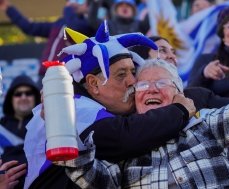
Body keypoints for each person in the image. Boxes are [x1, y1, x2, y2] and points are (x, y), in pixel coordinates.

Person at [57, 34, 229, 188]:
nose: (151, 89)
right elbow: (93, 180)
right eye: (143, 86)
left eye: (161, 83)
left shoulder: (208, 125)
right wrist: (64, 130)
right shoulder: (125, 157)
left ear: (179, 92)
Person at [23, 22, 195, 189]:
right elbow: (126, 137)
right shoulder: (74, 107)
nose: (132, 81)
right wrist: (179, 110)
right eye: (121, 75)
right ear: (94, 84)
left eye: (133, 72)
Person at [0, 0, 95, 88]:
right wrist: (9, 8)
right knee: (38, 104)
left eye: (80, 1)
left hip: (66, 76)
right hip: (45, 74)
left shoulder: (88, 25)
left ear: (87, 6)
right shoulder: (59, 23)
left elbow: (73, 26)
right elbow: (29, 27)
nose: (74, 3)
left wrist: (68, 9)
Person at [129, 35, 229, 110]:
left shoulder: (198, 96)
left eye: (173, 52)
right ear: (141, 59)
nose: (172, 56)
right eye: (162, 50)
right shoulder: (127, 112)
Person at [0, 75, 40, 188]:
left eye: (28, 93)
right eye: (18, 94)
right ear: (10, 99)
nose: (23, 97)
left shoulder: (45, 125)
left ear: (35, 96)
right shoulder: (1, 128)